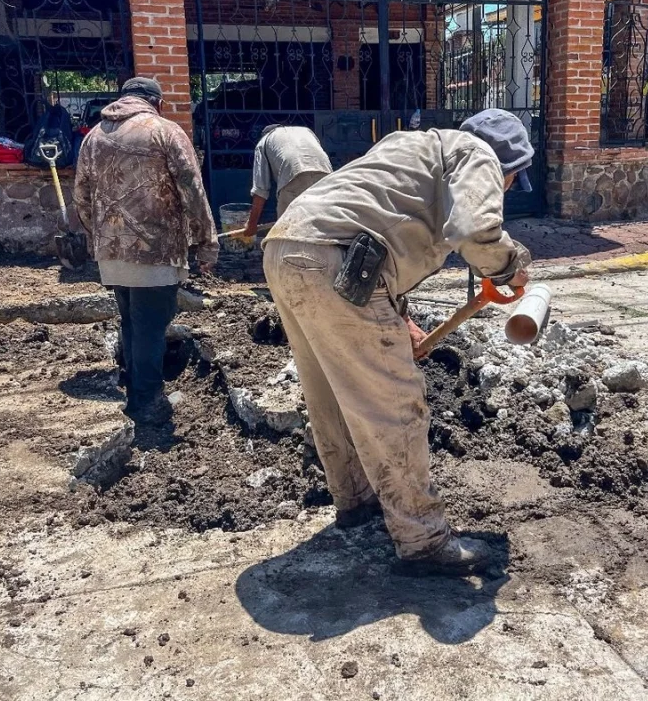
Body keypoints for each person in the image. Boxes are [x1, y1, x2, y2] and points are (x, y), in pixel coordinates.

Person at [262, 108, 533, 574]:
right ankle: (423, 540)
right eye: (510, 182)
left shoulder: (409, 147)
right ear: (510, 169)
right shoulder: (479, 154)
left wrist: (400, 319)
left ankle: (356, 500)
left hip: (287, 248)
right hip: (337, 263)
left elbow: (375, 221)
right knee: (394, 404)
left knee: (330, 391)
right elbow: (473, 230)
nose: (505, 189)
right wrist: (509, 265)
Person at [74, 77, 220, 424]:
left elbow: (81, 196)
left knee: (132, 322)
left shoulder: (93, 137)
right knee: (152, 327)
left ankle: (133, 384)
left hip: (112, 253)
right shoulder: (165, 131)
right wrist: (206, 241)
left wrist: (101, 238)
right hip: (155, 251)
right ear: (157, 103)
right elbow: (192, 189)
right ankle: (148, 401)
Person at [240, 125, 332, 237]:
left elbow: (261, 190)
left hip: (294, 176)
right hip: (326, 176)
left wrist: (252, 224)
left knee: (287, 234)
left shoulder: (263, 143)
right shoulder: (306, 131)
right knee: (323, 228)